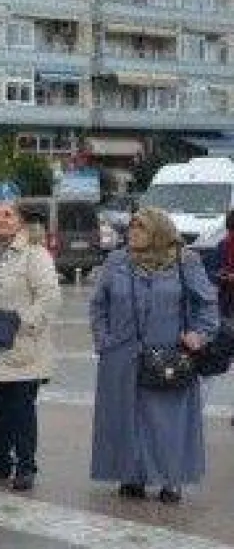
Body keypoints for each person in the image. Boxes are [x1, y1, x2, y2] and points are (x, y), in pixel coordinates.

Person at [90, 208, 220, 504]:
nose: (133, 231)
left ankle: (170, 478)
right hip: (121, 355)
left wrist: (199, 334)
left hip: (169, 354)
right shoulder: (117, 260)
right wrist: (103, 340)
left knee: (167, 420)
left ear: (160, 231)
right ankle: (131, 475)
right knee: (126, 417)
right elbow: (99, 305)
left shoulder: (184, 261)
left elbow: (207, 305)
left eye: (141, 227)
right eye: (132, 226)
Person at [0, 199, 62, 491]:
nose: (2, 220)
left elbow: (49, 298)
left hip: (22, 346)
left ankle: (25, 465)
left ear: (19, 221)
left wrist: (19, 322)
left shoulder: (34, 252)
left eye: (8, 215)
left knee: (21, 409)